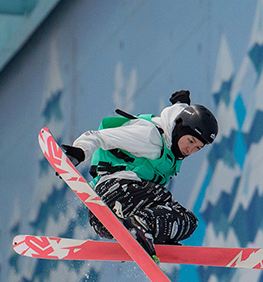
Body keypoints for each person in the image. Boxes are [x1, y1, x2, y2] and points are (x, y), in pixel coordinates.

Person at [60, 90, 218, 259]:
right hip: (115, 192)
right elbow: (99, 137)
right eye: (191, 141)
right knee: (173, 208)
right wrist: (78, 152)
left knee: (187, 223)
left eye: (197, 148)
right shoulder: (149, 136)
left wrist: (182, 105)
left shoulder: (172, 143)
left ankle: (145, 232)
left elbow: (176, 117)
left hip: (106, 220)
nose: (190, 149)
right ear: (180, 128)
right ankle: (142, 227)